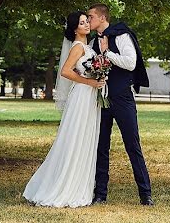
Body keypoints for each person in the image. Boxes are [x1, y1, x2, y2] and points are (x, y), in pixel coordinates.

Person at [22, 11, 106, 207]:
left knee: (86, 138)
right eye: (82, 23)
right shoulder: (78, 47)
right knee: (75, 138)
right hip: (82, 96)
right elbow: (66, 71)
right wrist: (89, 81)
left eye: (87, 21)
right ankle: (64, 186)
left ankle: (81, 186)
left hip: (91, 96)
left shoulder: (88, 46)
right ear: (75, 28)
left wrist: (99, 77)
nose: (86, 25)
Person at [88, 3, 153, 206]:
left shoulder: (122, 36)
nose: (88, 20)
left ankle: (145, 194)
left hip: (123, 98)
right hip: (102, 100)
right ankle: (100, 194)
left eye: (91, 17)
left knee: (133, 146)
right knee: (101, 147)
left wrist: (108, 54)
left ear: (102, 17)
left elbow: (131, 63)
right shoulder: (92, 43)